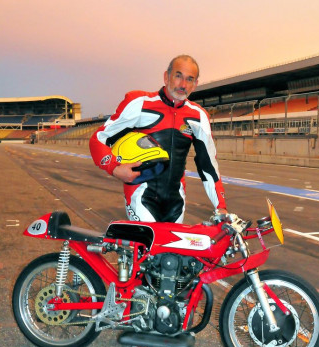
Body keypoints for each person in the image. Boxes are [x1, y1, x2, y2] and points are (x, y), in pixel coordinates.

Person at [89, 54, 227, 223]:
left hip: (176, 201)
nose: (183, 85)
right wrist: (114, 168)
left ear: (195, 84)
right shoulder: (139, 103)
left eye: (189, 79)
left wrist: (221, 206)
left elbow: (209, 167)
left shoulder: (199, 116)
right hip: (141, 194)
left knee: (172, 250)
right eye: (178, 76)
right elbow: (98, 139)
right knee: (150, 247)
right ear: (166, 76)